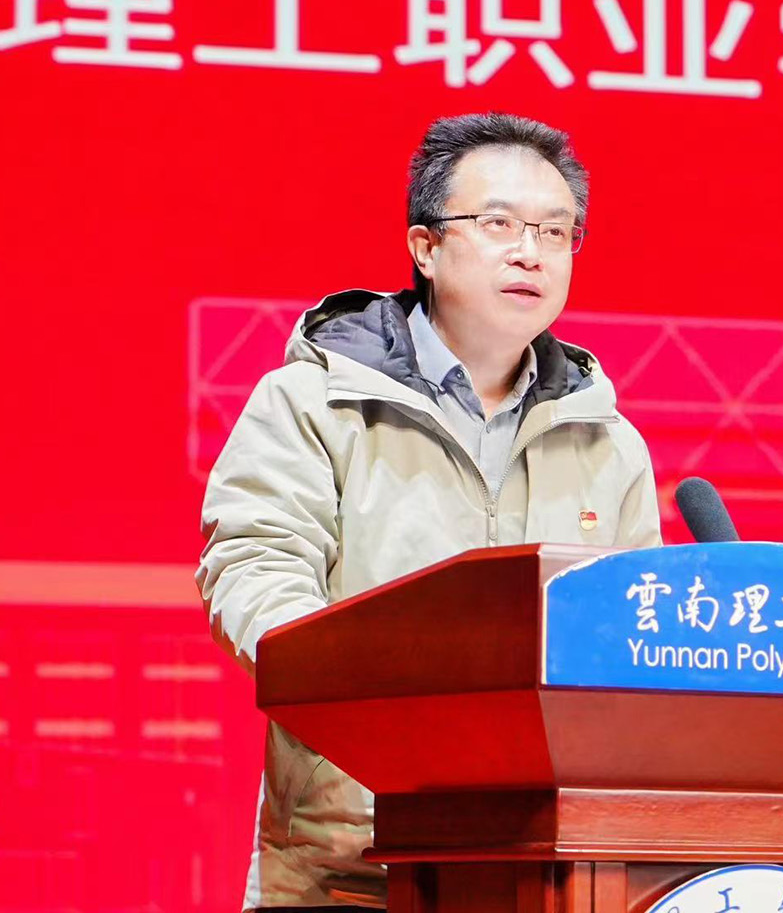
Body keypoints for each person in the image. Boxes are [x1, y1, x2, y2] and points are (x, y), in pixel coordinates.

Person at [196, 112, 664, 910]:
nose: (531, 252)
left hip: (546, 870)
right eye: (499, 224)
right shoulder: (316, 400)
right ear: (425, 246)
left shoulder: (607, 443)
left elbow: (634, 639)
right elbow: (255, 567)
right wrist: (379, 711)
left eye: (556, 232)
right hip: (346, 865)